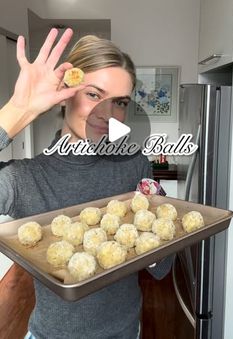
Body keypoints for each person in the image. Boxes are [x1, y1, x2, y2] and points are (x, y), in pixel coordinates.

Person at [0, 28, 173, 339]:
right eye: (94, 94)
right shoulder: (22, 179)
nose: (107, 113)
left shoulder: (135, 164)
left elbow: (160, 268)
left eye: (119, 102)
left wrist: (159, 223)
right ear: (65, 93)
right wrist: (17, 111)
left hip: (125, 330)